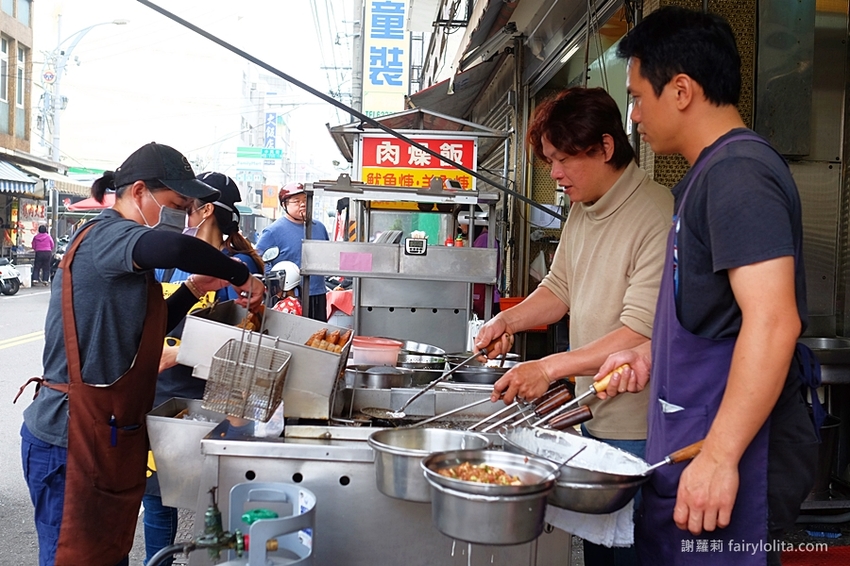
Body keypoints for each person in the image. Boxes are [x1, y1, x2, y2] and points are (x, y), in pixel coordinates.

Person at [593, 7, 819, 565]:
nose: (634, 116)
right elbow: (720, 317)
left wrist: (720, 455)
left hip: (735, 458)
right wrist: (652, 353)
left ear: (683, 90)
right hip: (692, 441)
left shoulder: (739, 174)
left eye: (638, 96)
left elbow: (773, 320)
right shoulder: (706, 175)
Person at [16, 142, 265, 566]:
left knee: (108, 556)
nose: (178, 215)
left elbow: (144, 332)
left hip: (103, 435)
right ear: (138, 191)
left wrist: (191, 290)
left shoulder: (127, 255)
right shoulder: (108, 236)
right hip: (68, 439)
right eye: (175, 203)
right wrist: (238, 273)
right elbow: (177, 249)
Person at [475, 87, 673, 565]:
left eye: (565, 158)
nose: (556, 173)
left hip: (639, 429)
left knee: (633, 553)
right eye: (549, 160)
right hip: (590, 417)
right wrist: (509, 319)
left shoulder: (655, 213)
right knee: (597, 553)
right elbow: (558, 290)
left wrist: (546, 368)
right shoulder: (582, 209)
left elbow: (639, 333)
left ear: (606, 148)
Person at [143, 171, 264, 566]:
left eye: (185, 207)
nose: (178, 213)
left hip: (213, 403)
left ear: (205, 210)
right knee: (159, 499)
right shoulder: (167, 262)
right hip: (164, 401)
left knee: (218, 500)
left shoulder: (236, 270)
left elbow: (248, 346)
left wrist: (178, 354)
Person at [257, 182, 329, 321]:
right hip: (286, 296)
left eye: (305, 200)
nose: (303, 204)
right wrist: (275, 286)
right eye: (297, 201)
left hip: (317, 293)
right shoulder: (273, 231)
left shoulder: (319, 227)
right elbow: (259, 259)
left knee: (317, 335)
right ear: (284, 205)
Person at [458, 210, 501, 319]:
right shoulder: (481, 239)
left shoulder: (484, 239)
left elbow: (477, 268)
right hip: (482, 296)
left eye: (461, 222)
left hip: (485, 296)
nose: (460, 226)